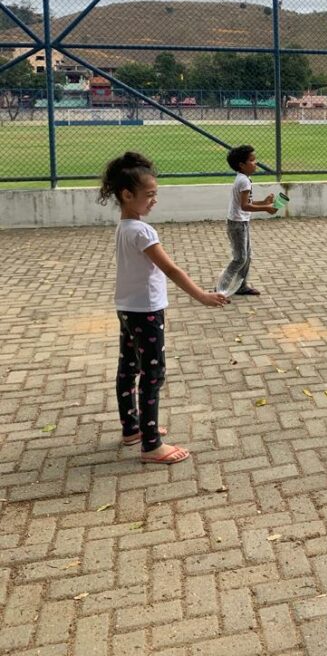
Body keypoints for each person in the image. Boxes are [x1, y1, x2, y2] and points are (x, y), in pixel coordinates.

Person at [98, 151, 228, 465]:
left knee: (128, 368)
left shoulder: (125, 227)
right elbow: (171, 270)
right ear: (127, 195)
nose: (154, 200)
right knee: (153, 374)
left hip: (128, 309)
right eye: (149, 195)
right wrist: (202, 296)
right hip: (147, 311)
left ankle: (133, 429)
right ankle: (152, 444)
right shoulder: (143, 232)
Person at [217, 145, 277, 297]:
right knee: (240, 259)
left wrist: (264, 202)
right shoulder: (243, 181)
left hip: (241, 223)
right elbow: (245, 206)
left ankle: (241, 286)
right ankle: (220, 290)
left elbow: (245, 202)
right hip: (237, 224)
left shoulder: (244, 179)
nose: (256, 162)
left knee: (247, 256)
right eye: (252, 160)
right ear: (241, 165)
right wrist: (266, 208)